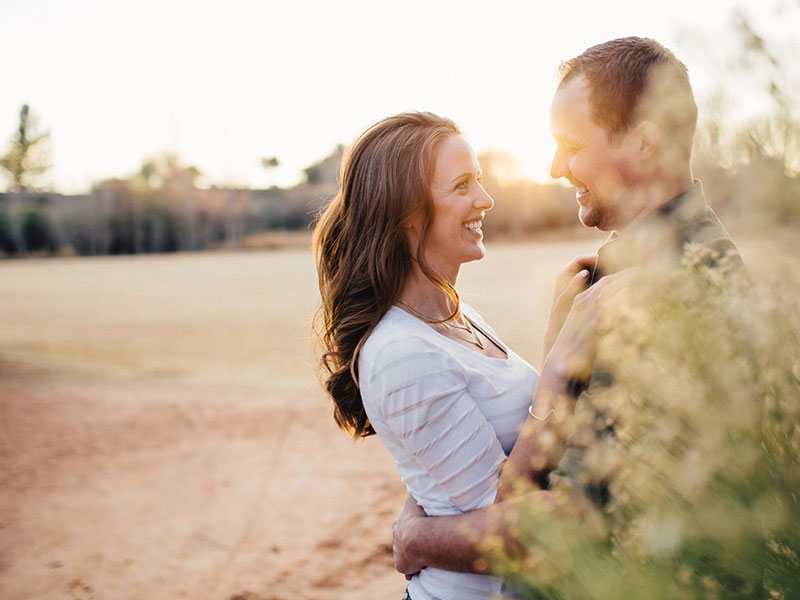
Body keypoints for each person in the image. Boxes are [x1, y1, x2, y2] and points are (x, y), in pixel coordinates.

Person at [391, 36, 747, 582]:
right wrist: (557, 349)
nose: (557, 167)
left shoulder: (666, 292)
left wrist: (419, 540)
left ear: (644, 143)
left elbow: (574, 523)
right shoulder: (651, 262)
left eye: (573, 145)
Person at [313, 111, 620, 599]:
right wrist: (561, 366)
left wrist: (554, 335)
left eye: (478, 179)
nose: (486, 199)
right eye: (462, 185)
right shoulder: (399, 354)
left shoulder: (454, 312)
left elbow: (508, 438)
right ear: (407, 213)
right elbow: (514, 524)